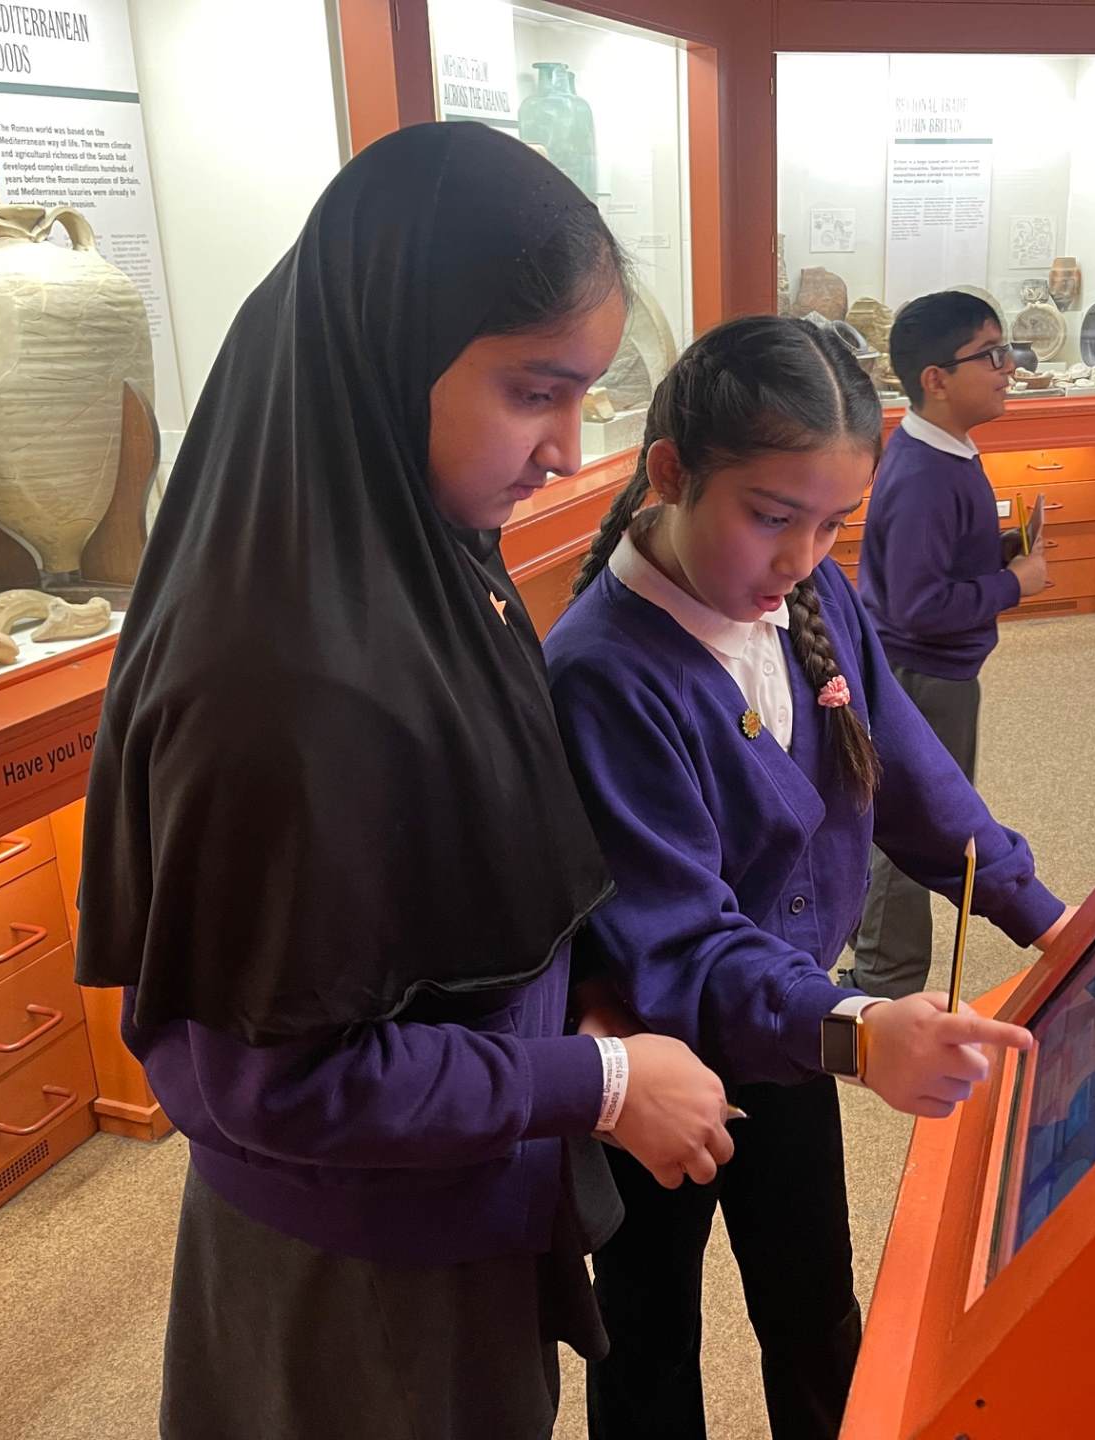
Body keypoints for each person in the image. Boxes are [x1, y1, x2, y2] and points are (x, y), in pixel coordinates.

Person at [73, 123, 735, 1440]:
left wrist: (583, 1011)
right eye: (533, 392)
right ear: (391, 347)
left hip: (456, 1193)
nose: (566, 450)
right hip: (360, 1270)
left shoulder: (425, 552)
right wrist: (595, 1085)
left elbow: (464, 891)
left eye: (583, 398)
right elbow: (278, 1077)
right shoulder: (277, 683)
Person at [543, 315, 1075, 1439]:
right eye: (772, 517)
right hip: (652, 1053)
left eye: (833, 524)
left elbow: (919, 785)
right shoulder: (602, 672)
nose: (800, 559)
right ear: (670, 473)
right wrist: (861, 1033)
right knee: (646, 1330)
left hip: (794, 1027)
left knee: (816, 1306)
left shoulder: (810, 597)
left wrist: (1047, 916)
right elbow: (681, 944)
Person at [842, 291, 1050, 998]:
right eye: (990, 356)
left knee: (918, 817)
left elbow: (931, 570)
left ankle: (877, 963)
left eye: (1006, 352)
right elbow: (919, 606)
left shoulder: (946, 454)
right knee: (921, 829)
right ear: (935, 379)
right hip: (924, 676)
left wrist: (997, 552)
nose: (1008, 368)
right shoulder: (928, 474)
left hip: (933, 672)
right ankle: (885, 984)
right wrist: (1015, 582)